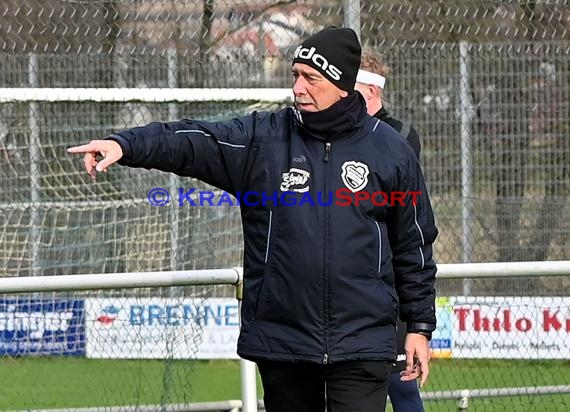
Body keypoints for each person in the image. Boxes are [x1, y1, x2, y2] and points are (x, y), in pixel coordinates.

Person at [68, 27, 438, 412]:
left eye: (311, 78)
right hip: (284, 341)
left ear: (342, 83)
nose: (298, 88)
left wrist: (419, 327)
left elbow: (414, 246)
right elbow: (194, 139)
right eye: (295, 75)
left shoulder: (390, 149)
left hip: (361, 343)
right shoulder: (265, 138)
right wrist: (124, 145)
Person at [355, 49, 426, 412]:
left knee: (401, 383)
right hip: (350, 284)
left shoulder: (398, 135)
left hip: (390, 281)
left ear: (371, 91)